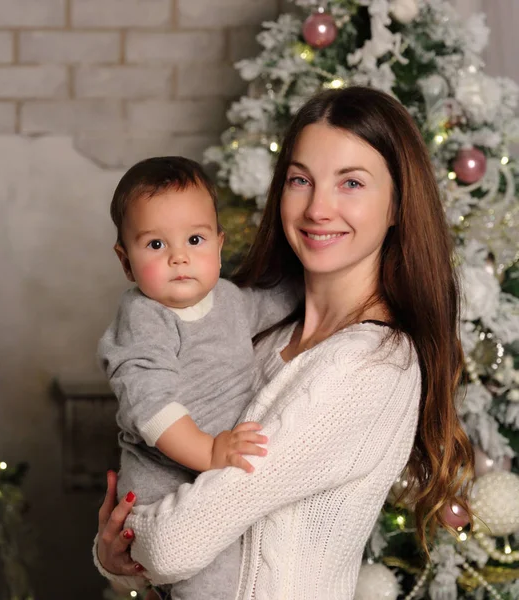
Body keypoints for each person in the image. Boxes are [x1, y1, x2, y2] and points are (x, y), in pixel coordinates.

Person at [94, 86, 475, 599]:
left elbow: (170, 548)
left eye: (351, 183)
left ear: (395, 207)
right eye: (301, 180)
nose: (319, 208)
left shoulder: (373, 366)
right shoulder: (256, 326)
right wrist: (109, 553)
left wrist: (128, 542)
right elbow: (148, 533)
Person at [95, 156, 297, 599]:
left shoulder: (228, 299)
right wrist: (209, 450)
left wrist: (316, 282)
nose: (179, 256)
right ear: (126, 262)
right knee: (212, 583)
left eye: (194, 239)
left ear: (219, 246)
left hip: (212, 468)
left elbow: (279, 300)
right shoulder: (144, 316)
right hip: (162, 482)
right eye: (154, 245)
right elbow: (150, 407)